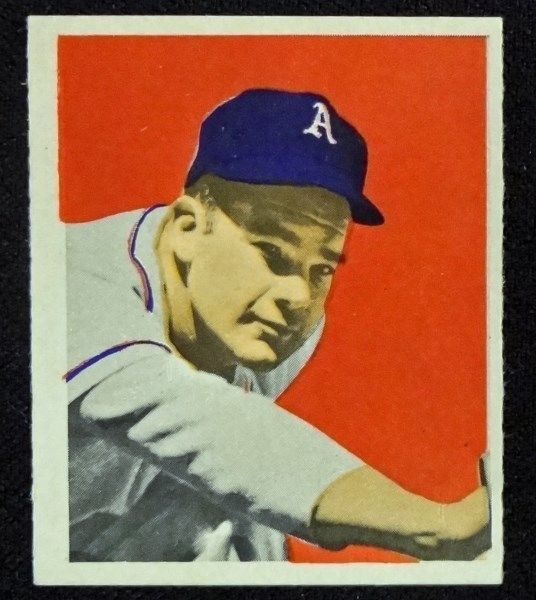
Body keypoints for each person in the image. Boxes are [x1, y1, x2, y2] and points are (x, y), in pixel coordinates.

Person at [67, 89, 490, 562]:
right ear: (187, 227)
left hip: (91, 537)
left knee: (230, 519)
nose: (299, 296)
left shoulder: (259, 319)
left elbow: (241, 480)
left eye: (322, 268)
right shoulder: (70, 282)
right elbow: (212, 428)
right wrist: (439, 526)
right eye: (272, 252)